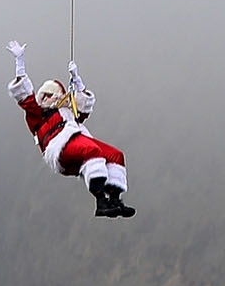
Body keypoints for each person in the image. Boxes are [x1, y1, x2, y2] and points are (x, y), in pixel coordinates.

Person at [8, 41, 135, 217]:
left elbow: (84, 109)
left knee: (115, 155)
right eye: (44, 96)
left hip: (75, 140)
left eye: (50, 95)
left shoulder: (67, 112)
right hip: (58, 148)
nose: (46, 99)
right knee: (92, 150)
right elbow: (25, 98)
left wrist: (77, 81)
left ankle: (114, 199)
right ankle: (100, 201)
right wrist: (19, 64)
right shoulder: (38, 115)